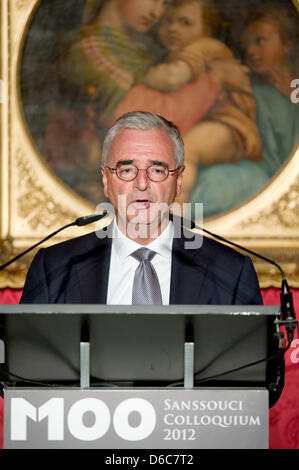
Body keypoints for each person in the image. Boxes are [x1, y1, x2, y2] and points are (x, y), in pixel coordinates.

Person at [20, 111, 284, 406]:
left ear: (179, 180)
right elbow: (23, 377)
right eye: (127, 169)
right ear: (106, 179)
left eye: (157, 170)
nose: (142, 184)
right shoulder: (54, 267)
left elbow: (261, 385)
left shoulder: (230, 271)